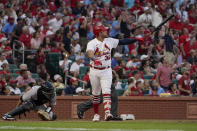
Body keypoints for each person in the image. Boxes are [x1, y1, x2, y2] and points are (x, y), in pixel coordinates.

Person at [86, 24, 144, 121]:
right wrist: (93, 59)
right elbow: (90, 53)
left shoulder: (109, 40)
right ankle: (96, 114)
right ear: (99, 33)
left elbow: (123, 41)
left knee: (106, 92)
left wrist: (136, 39)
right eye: (104, 30)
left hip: (106, 70)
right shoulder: (92, 43)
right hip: (94, 70)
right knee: (95, 94)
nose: (106, 32)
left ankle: (107, 113)